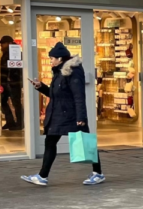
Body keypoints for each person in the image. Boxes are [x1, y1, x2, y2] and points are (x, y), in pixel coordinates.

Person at [21, 43, 105, 186]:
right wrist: (41, 87)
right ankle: (42, 176)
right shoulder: (58, 72)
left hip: (71, 114)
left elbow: (79, 96)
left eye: (52, 58)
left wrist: (81, 118)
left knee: (85, 142)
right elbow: (55, 95)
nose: (50, 61)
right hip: (58, 113)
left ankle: (98, 174)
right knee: (50, 141)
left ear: (60, 58)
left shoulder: (73, 71)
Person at [0, 36, 24, 131]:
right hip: (6, 82)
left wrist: (10, 78)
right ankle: (10, 121)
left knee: (16, 103)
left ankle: (20, 123)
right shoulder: (6, 53)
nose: (1, 45)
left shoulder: (15, 52)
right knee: (3, 101)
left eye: (2, 43)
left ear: (8, 43)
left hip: (13, 82)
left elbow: (14, 68)